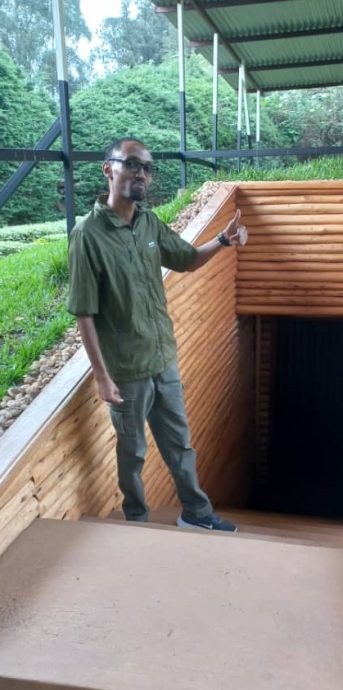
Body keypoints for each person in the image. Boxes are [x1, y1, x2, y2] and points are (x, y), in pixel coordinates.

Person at [67, 137, 246, 532]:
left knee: (180, 444)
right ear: (108, 169)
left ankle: (196, 513)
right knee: (133, 452)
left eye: (147, 168)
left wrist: (221, 241)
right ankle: (136, 523)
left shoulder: (148, 222)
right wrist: (101, 376)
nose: (141, 174)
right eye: (132, 164)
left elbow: (186, 260)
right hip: (126, 369)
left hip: (163, 358)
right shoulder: (88, 235)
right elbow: (84, 313)